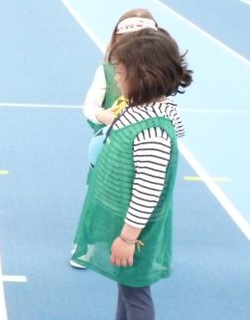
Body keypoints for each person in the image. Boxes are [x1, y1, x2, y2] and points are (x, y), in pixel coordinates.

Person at [71, 27, 192, 320]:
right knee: (126, 287)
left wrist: (127, 238)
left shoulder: (153, 131)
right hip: (124, 222)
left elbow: (148, 191)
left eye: (121, 73)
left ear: (143, 77)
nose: (117, 79)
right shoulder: (141, 110)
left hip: (135, 232)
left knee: (135, 292)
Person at [73, 9, 158, 270]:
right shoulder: (107, 71)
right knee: (99, 195)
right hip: (110, 146)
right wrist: (107, 116)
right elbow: (88, 106)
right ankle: (86, 246)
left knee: (145, 195)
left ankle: (140, 246)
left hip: (144, 146)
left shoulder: (159, 74)